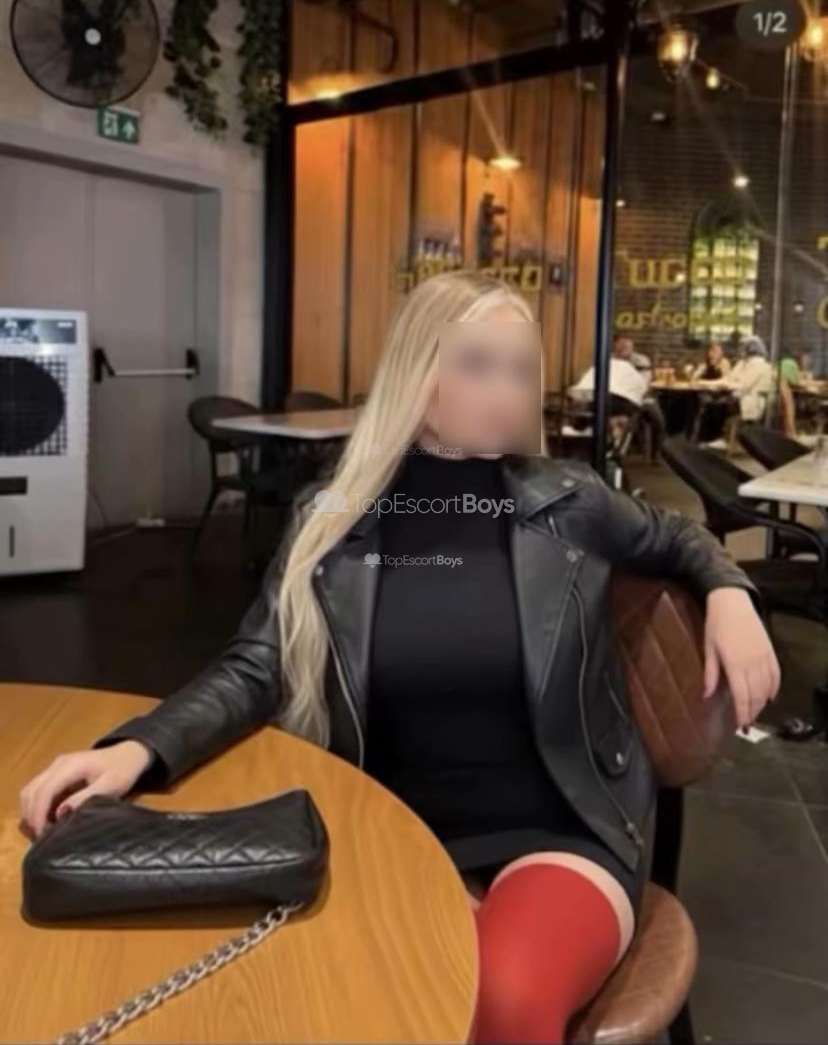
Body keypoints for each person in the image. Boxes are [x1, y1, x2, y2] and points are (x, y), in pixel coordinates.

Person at [18, 272, 779, 1045]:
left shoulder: (567, 500)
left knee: (502, 999)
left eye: (522, 369)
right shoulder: (335, 518)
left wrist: (730, 591)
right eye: (477, 364)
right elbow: (257, 662)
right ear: (417, 371)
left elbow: (676, 536)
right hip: (391, 828)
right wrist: (140, 747)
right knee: (304, 1002)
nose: (507, 392)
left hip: (559, 828)